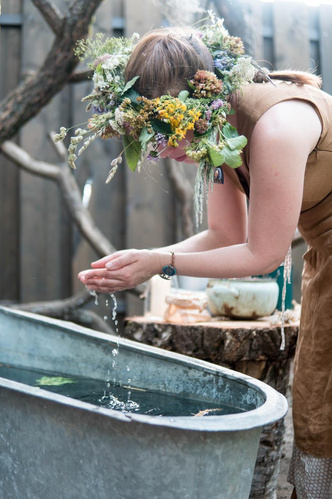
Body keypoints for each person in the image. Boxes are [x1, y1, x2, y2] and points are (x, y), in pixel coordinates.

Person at [73, 14, 332, 498]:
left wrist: (163, 264)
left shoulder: (274, 127)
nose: (158, 150)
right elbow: (222, 233)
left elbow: (265, 253)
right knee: (318, 401)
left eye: (163, 132)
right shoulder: (219, 136)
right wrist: (147, 258)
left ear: (194, 109)